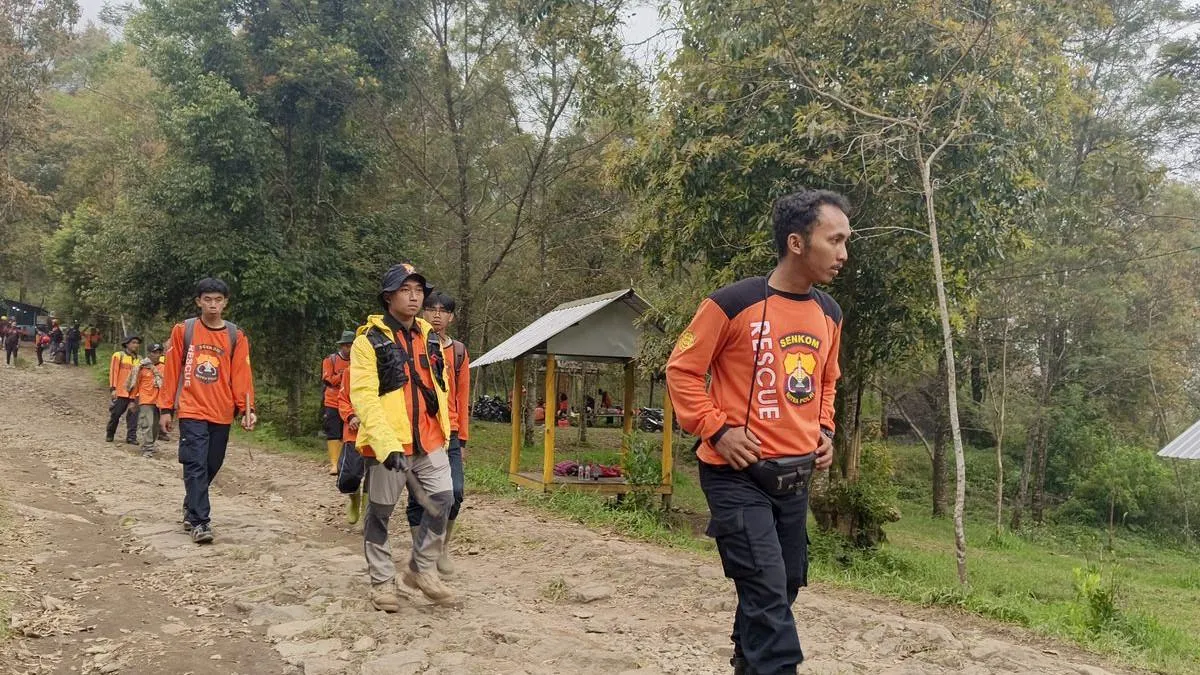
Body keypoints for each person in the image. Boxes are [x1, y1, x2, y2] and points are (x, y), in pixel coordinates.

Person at [666, 189, 849, 675]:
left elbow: (827, 381)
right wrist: (717, 428)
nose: (843, 254)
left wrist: (825, 428)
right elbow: (682, 370)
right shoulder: (731, 304)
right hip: (736, 475)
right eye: (834, 241)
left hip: (795, 479)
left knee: (782, 584)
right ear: (796, 242)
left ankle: (747, 664)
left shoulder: (830, 313)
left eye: (845, 242)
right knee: (766, 588)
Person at [349, 263, 457, 611]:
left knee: (444, 499)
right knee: (380, 513)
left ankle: (421, 568)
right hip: (389, 445)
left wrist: (448, 429)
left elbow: (441, 387)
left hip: (430, 438)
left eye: (419, 290)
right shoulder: (368, 341)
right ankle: (382, 583)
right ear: (388, 297)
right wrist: (385, 444)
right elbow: (364, 396)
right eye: (405, 290)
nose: (414, 297)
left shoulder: (430, 337)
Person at [159, 277, 257, 545]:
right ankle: (200, 522)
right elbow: (171, 370)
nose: (213, 305)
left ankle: (191, 503)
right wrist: (166, 408)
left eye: (218, 300)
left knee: (212, 463)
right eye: (207, 300)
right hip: (191, 409)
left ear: (225, 303)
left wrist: (247, 409)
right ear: (198, 302)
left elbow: (242, 375)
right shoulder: (184, 330)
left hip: (222, 412)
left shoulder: (236, 336)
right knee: (195, 463)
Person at [406, 290, 470, 576]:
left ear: (451, 317)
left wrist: (462, 439)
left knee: (454, 492)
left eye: (443, 311)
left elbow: (462, 397)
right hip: (417, 431)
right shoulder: (410, 345)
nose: (436, 315)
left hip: (449, 432)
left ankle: (442, 547)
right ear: (423, 312)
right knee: (418, 496)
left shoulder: (458, 352)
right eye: (431, 309)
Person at [321, 331, 355, 475]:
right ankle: (334, 464)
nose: (348, 348)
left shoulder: (359, 360)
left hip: (350, 403)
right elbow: (328, 380)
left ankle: (345, 462)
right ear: (341, 346)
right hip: (333, 402)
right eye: (346, 345)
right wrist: (344, 374)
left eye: (351, 345)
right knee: (333, 432)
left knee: (347, 433)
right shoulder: (331, 360)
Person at [337, 358, 365, 525]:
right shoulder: (350, 371)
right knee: (351, 476)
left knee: (375, 476)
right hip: (354, 432)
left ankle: (367, 515)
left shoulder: (384, 368)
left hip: (378, 432)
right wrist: (350, 416)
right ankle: (354, 499)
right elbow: (343, 399)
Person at [129, 344, 165, 457]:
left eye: (159, 352)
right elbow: (135, 384)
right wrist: (132, 400)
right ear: (149, 353)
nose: (157, 355)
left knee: (155, 426)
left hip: (159, 401)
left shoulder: (164, 367)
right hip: (145, 400)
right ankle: (148, 447)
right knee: (147, 424)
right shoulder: (141, 367)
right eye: (154, 352)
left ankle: (150, 444)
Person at [106, 335, 142, 443]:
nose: (136, 345)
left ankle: (131, 437)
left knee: (133, 416)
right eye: (133, 342)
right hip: (121, 392)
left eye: (137, 343)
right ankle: (110, 433)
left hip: (134, 393)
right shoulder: (118, 356)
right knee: (116, 414)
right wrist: (113, 389)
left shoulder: (139, 359)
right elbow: (114, 372)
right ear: (127, 344)